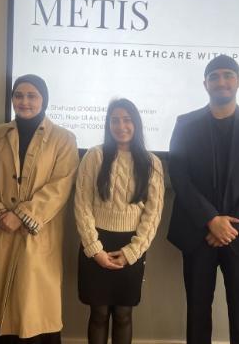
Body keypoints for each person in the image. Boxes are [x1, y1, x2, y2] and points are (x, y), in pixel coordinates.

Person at [168, 55, 239, 344]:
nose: (222, 81)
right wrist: (211, 220)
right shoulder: (185, 123)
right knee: (197, 309)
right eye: (214, 76)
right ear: (205, 84)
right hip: (197, 232)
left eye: (228, 75)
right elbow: (180, 176)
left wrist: (230, 226)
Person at [0, 74, 79, 344]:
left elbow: (60, 186)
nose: (24, 101)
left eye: (32, 95)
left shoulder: (64, 139)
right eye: (19, 95)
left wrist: (23, 215)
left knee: (34, 309)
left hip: (37, 235)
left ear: (44, 99)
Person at [74, 98, 165, 344]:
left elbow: (153, 213)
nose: (121, 126)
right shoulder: (94, 156)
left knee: (124, 314)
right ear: (108, 124)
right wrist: (94, 249)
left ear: (136, 123)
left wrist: (132, 251)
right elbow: (81, 205)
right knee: (99, 313)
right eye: (115, 120)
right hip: (96, 241)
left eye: (127, 120)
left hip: (132, 244)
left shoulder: (151, 163)